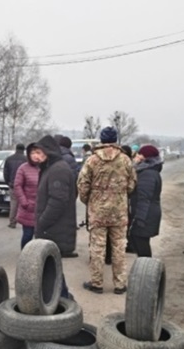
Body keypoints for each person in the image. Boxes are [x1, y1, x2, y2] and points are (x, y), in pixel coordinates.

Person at [77, 127, 136, 294]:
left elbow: (82, 184)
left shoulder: (92, 160)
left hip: (98, 211)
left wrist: (88, 200)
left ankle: (97, 283)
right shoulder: (125, 160)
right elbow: (132, 184)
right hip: (119, 211)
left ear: (101, 140)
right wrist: (121, 195)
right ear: (115, 140)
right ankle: (120, 284)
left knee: (97, 247)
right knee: (119, 248)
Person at [34, 135, 78, 298]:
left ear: (49, 152)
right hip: (51, 230)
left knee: (51, 268)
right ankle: (63, 299)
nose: (36, 156)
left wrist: (42, 223)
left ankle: (64, 303)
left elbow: (58, 202)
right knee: (52, 268)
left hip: (55, 230)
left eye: (39, 152)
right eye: (35, 152)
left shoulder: (58, 169)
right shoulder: (50, 168)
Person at [129, 145, 163, 258]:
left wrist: (139, 218)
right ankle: (145, 268)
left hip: (146, 214)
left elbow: (144, 197)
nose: (136, 156)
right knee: (138, 241)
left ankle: (147, 270)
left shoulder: (147, 173)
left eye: (139, 154)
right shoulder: (147, 171)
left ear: (145, 157)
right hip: (146, 212)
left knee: (141, 242)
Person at [13, 143, 40, 249]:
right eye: (32, 153)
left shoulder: (45, 168)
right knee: (28, 235)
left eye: (37, 152)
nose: (35, 155)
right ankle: (25, 255)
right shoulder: (23, 168)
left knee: (40, 238)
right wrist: (24, 202)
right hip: (28, 208)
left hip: (42, 209)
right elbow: (17, 185)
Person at [3, 144, 27, 229]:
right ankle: (25, 221)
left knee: (13, 203)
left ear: (16, 149)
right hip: (24, 185)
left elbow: (5, 173)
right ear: (24, 150)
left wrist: (8, 182)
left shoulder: (9, 159)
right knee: (24, 203)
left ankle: (12, 222)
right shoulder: (26, 159)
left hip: (13, 185)